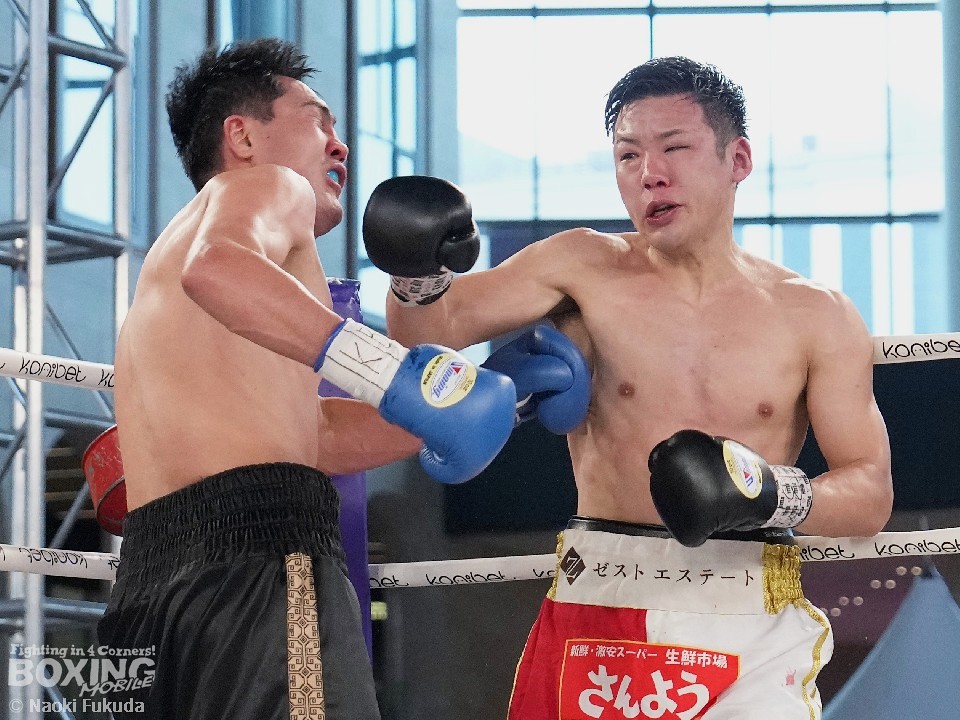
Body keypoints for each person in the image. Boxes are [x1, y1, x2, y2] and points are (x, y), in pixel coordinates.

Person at [363, 56, 894, 719]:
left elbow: (870, 493)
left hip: (749, 608)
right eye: (628, 155)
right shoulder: (582, 266)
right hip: (604, 597)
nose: (650, 173)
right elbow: (430, 334)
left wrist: (767, 493)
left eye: (674, 148)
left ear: (738, 160)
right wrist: (414, 270)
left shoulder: (816, 314)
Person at [96, 38, 522, 720]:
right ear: (242, 137)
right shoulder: (268, 186)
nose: (338, 143)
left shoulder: (170, 263)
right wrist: (388, 369)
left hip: (149, 588)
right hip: (262, 564)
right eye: (316, 119)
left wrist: (481, 393)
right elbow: (218, 270)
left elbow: (313, 434)